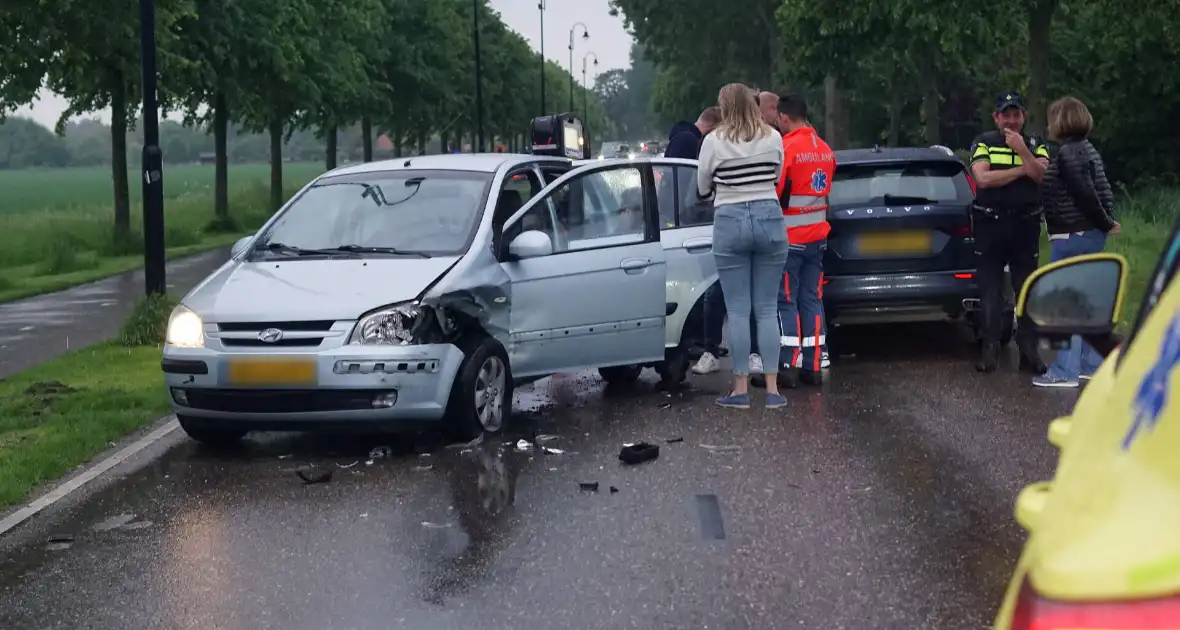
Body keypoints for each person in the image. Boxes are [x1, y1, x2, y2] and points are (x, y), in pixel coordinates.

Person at [697, 83, 789, 409]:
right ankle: (774, 390)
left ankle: (740, 391)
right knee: (766, 309)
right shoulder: (773, 138)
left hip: (730, 219)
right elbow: (777, 177)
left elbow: (702, 186)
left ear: (725, 108)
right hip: (769, 217)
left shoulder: (713, 141)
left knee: (737, 310)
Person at [1033, 96, 1119, 388]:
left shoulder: (1069, 153)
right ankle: (1090, 364)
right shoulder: (1088, 150)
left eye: (1051, 119)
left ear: (1061, 121)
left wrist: (1105, 222)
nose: (1048, 124)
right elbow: (1100, 190)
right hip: (1089, 234)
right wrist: (1106, 221)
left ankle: (1064, 371)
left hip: (1073, 235)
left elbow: (1085, 193)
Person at [968, 90, 1051, 374]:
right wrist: (1022, 170)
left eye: (1016, 115)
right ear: (996, 117)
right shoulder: (984, 142)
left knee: (1026, 287)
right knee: (990, 289)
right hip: (991, 224)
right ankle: (990, 348)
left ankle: (1029, 350)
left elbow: (1042, 177)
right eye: (1006, 115)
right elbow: (983, 178)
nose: (1012, 121)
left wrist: (1022, 152)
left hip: (1025, 224)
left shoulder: (1036, 142)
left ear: (1024, 117)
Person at [773, 93, 835, 387]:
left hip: (791, 238)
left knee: (786, 299)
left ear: (784, 117)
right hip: (817, 237)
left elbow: (777, 190)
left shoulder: (786, 149)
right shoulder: (824, 148)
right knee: (812, 298)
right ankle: (813, 364)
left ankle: (788, 363)